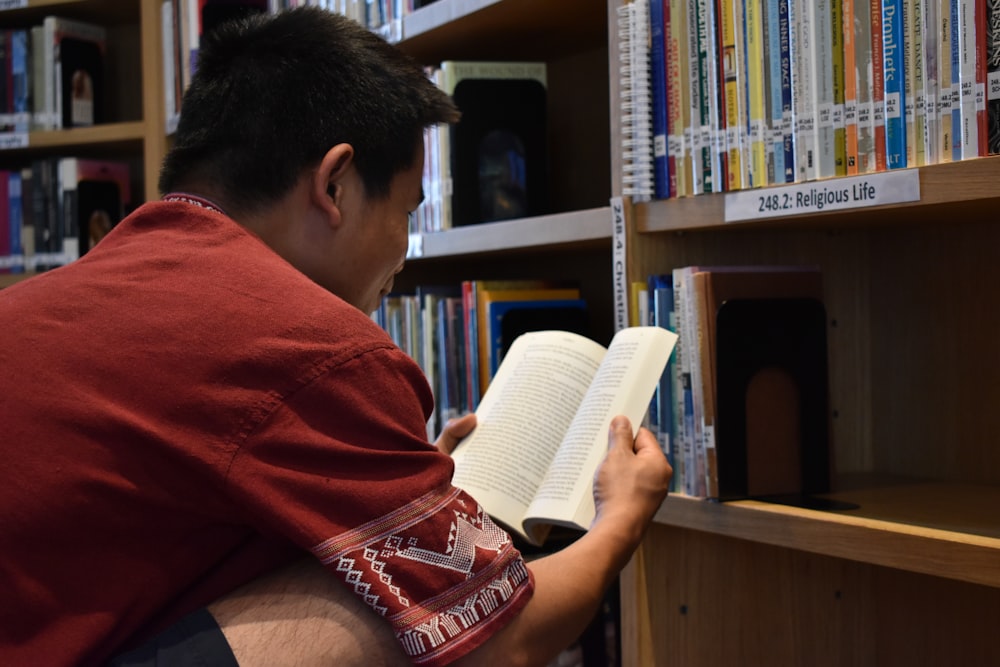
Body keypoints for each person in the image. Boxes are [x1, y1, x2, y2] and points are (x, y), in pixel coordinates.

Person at [0, 7, 671, 667]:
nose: (404, 252)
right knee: (398, 603)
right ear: (335, 184)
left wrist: (401, 498)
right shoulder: (311, 345)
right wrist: (621, 518)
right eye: (406, 211)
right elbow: (501, 648)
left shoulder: (58, 298)